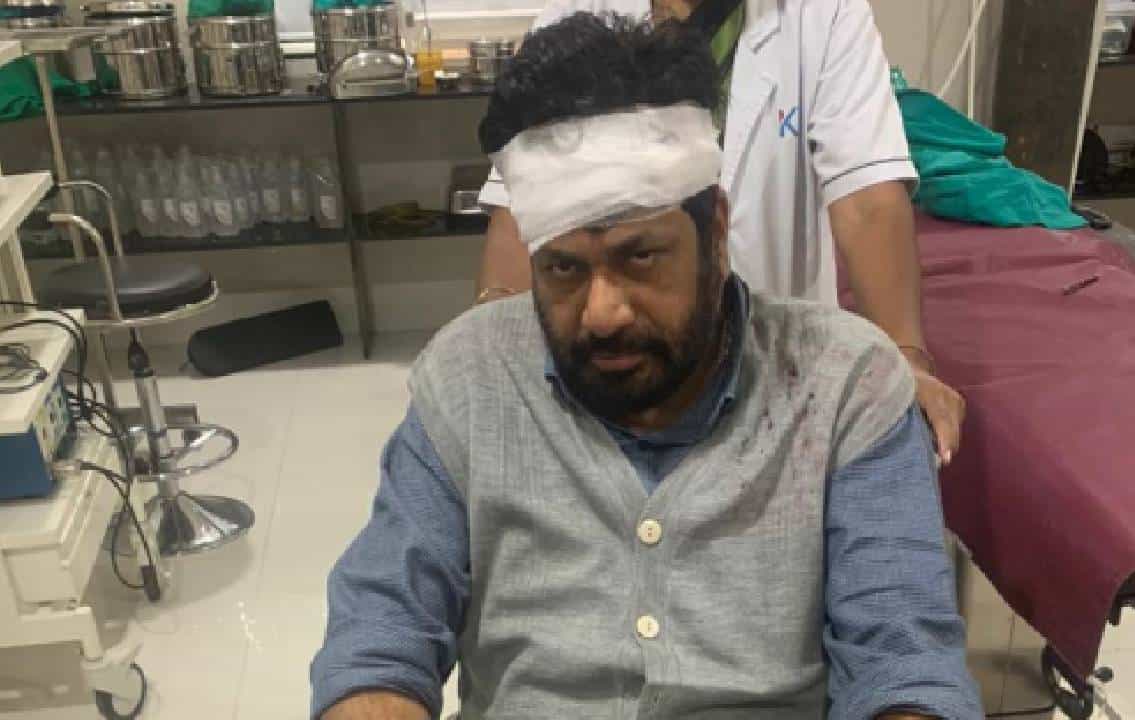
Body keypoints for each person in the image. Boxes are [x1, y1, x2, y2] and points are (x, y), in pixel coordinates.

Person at [312, 15, 980, 720]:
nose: (602, 313)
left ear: (715, 233)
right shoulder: (470, 378)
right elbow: (381, 632)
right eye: (564, 269)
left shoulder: (843, 388)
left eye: (640, 258)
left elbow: (902, 661)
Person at [475, 0, 967, 465]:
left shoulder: (820, 12)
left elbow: (867, 200)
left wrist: (906, 359)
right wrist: (491, 351)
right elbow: (525, 201)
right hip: (607, 371)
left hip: (774, 371)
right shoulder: (578, 12)